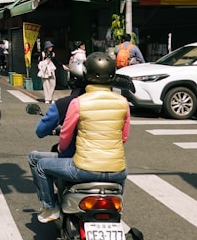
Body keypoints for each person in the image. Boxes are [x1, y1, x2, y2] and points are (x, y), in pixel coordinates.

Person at [34, 52, 130, 223]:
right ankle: (118, 215)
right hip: (117, 171)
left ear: (86, 75)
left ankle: (50, 207)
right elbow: (124, 137)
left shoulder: (78, 103)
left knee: (41, 166)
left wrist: (63, 150)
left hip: (84, 168)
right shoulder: (123, 102)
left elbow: (65, 135)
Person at [28, 63, 86, 212]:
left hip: (77, 161)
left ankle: (49, 205)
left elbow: (41, 131)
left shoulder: (67, 104)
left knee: (35, 159)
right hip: (110, 164)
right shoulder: (114, 104)